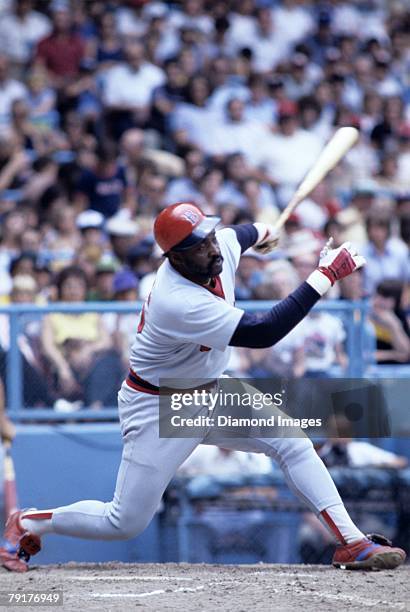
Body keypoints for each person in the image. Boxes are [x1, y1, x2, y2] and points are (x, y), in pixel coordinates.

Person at [0, 203, 406, 573]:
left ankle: (351, 542)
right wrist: (324, 275)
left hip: (212, 390)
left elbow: (241, 234)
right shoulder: (175, 300)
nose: (211, 248)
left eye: (209, 236)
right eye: (198, 246)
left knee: (292, 441)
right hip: (159, 406)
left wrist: (265, 232)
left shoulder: (217, 246)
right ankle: (28, 522)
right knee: (123, 521)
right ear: (175, 257)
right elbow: (264, 332)